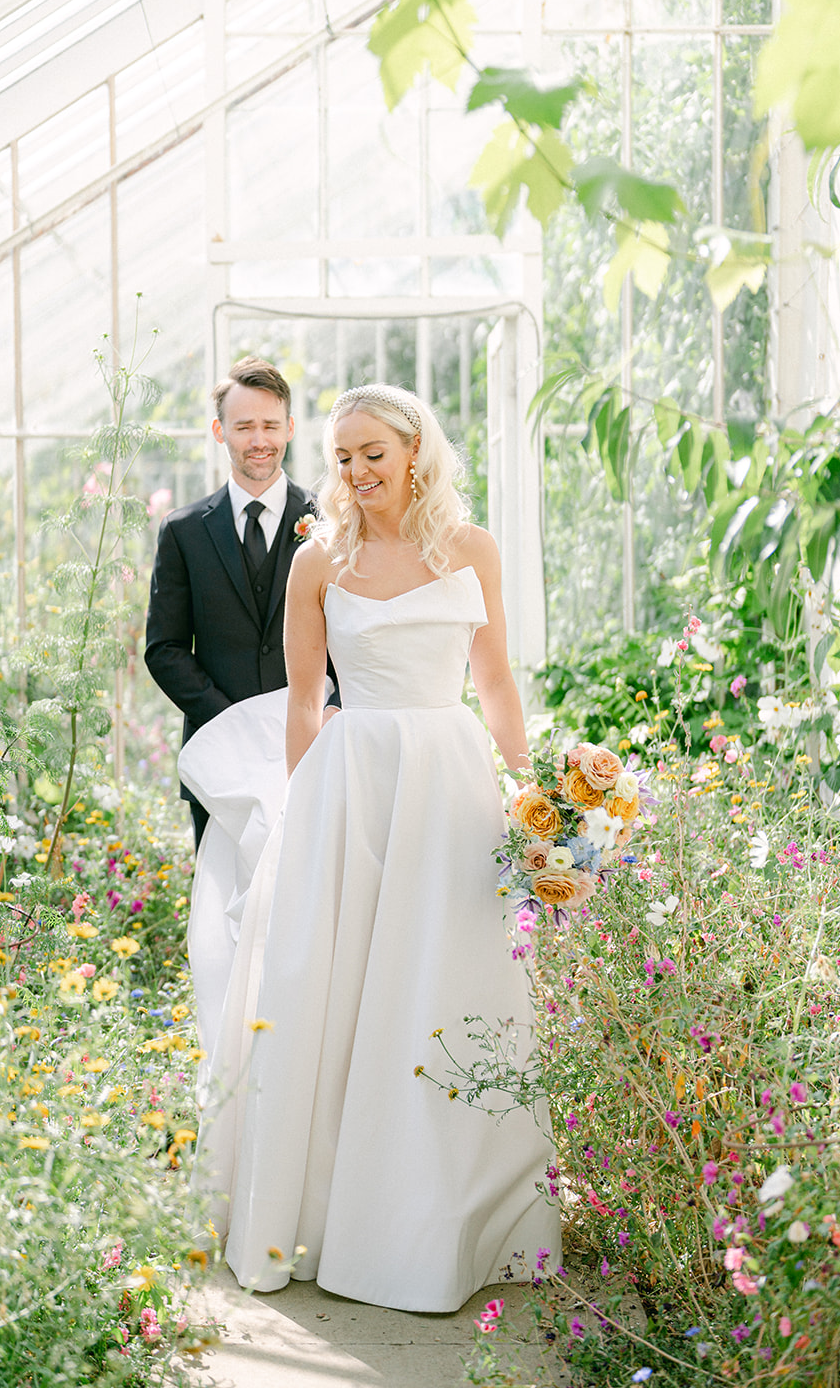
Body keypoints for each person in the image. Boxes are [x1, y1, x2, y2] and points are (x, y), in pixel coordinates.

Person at [197, 382, 560, 1314]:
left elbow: (495, 682)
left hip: (448, 780)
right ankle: (325, 1216)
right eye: (342, 455)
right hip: (351, 788)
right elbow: (304, 703)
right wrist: (292, 812)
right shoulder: (318, 563)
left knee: (446, 980)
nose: (356, 471)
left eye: (373, 453)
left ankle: (450, 1219)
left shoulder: (469, 550)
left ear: (413, 452)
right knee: (340, 988)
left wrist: (531, 797)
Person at [144, 356, 318, 848]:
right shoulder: (183, 532)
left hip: (315, 749)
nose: (259, 440)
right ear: (220, 431)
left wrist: (331, 712)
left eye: (269, 425)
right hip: (220, 756)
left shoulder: (331, 523)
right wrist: (233, 722)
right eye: (245, 426)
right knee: (225, 913)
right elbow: (165, 648)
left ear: (288, 428)